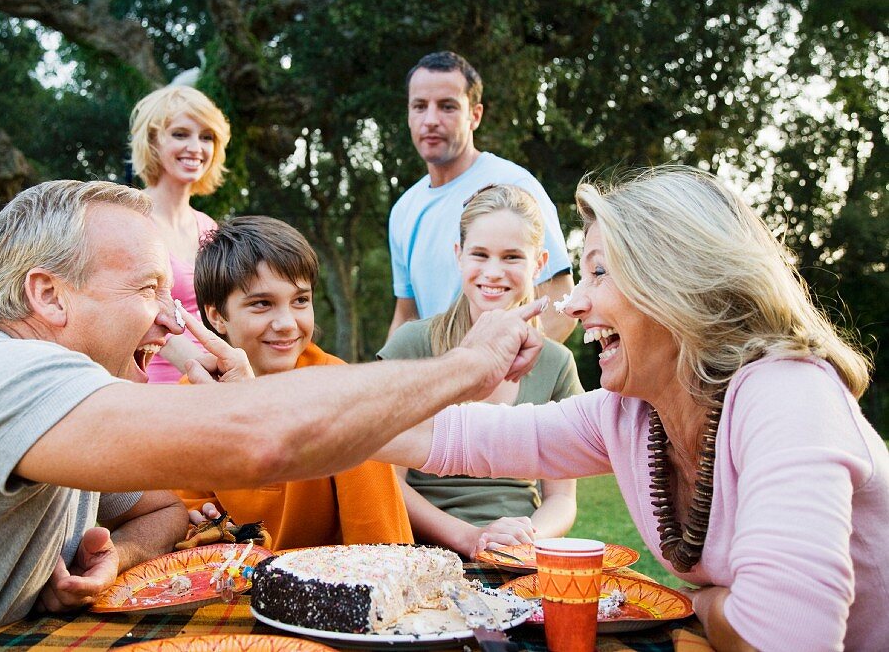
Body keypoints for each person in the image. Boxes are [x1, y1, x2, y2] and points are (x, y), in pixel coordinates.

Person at [0, 180, 546, 651]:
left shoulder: (64, 404)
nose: (170, 327)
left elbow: (160, 509)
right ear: (50, 296)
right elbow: (260, 439)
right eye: (151, 291)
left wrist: (118, 551)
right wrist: (466, 368)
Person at [377, 167, 889, 652]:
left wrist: (704, 604)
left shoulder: (788, 393)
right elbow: (453, 437)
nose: (574, 305)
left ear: (680, 284)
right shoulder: (631, 412)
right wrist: (461, 369)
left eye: (600, 272)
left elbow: (780, 639)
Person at [177, 216, 413, 549]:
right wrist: (194, 523)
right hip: (229, 586)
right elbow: (185, 520)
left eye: (300, 300)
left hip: (334, 587)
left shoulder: (345, 393)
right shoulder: (190, 398)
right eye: (262, 304)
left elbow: (380, 542)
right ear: (216, 316)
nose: (287, 323)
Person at [379, 185, 581, 559]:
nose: (493, 272)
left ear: (539, 263)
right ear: (459, 256)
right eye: (480, 254)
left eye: (512, 257)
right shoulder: (412, 345)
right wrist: (471, 538)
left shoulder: (556, 364)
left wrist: (525, 539)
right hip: (424, 549)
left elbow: (562, 497)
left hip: (518, 551)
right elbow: (386, 480)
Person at [389, 50, 576, 341]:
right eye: (420, 106)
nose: (431, 120)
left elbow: (560, 303)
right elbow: (406, 315)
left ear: (475, 116)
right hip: (437, 384)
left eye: (447, 107)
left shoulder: (514, 185)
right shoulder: (403, 209)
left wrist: (500, 376)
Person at [130, 85, 231, 382]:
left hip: (212, 382)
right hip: (156, 386)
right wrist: (196, 365)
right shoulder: (130, 220)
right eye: (180, 134)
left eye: (206, 137)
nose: (196, 147)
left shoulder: (210, 226)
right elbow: (138, 309)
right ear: (153, 142)